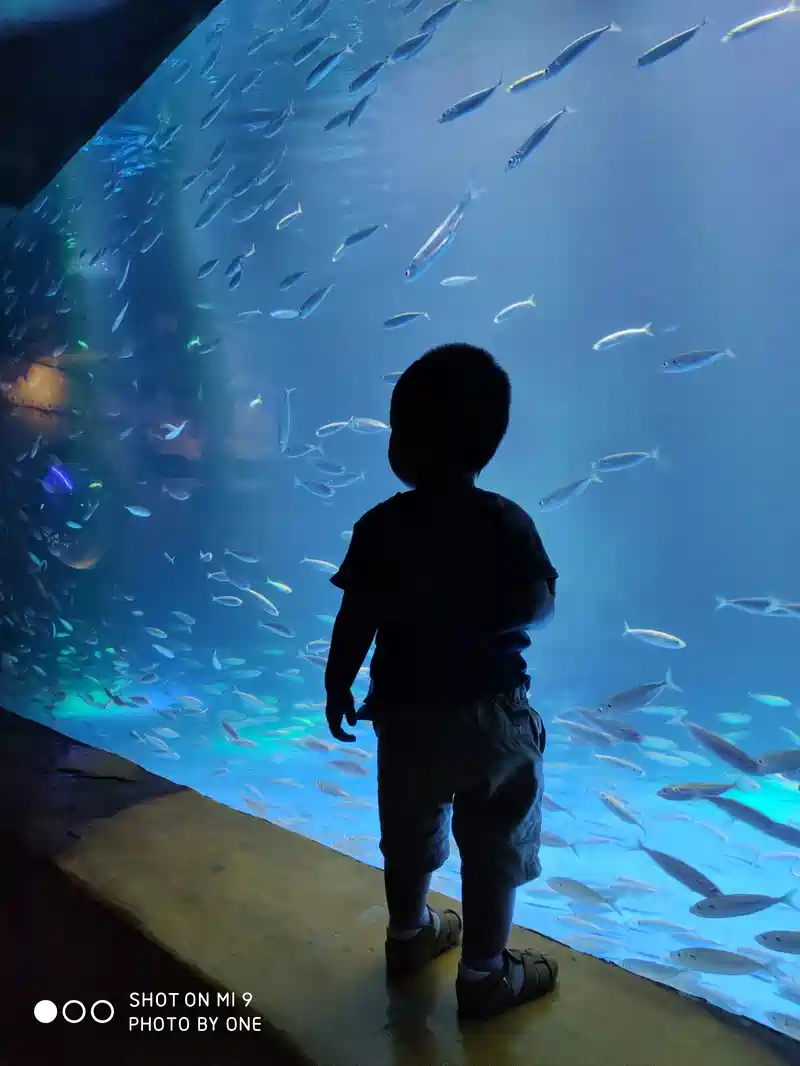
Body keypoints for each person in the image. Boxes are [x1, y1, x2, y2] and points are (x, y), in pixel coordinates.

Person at [324, 342, 559, 1020]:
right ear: (487, 443)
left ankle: (409, 936)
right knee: (493, 842)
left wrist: (338, 685)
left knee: (408, 832)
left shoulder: (381, 525)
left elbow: (355, 617)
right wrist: (482, 617)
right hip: (491, 716)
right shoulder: (505, 520)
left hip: (404, 715)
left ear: (402, 445)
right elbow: (540, 602)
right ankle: (485, 974)